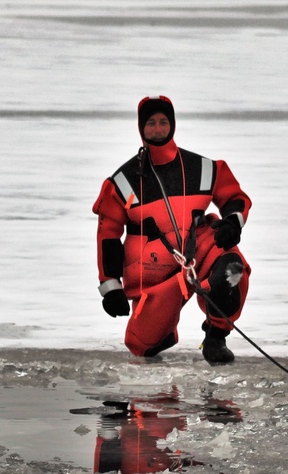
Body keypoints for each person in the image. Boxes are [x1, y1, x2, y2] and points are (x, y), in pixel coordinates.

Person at [93, 95, 253, 363]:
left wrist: (233, 222)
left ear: (173, 125)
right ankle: (162, 331)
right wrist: (111, 287)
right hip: (154, 272)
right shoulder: (122, 182)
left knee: (232, 270)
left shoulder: (201, 168)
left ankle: (215, 338)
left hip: (200, 251)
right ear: (141, 128)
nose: (157, 129)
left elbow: (234, 197)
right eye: (151, 123)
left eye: (163, 122)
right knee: (141, 345)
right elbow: (108, 234)